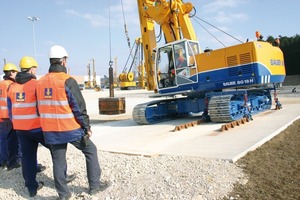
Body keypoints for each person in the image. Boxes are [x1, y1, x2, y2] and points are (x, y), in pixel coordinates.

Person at [36, 45, 110, 200]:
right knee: (90, 151)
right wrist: (86, 127)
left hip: (51, 131)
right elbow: (79, 107)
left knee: (58, 161)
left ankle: (64, 195)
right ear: (63, 61)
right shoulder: (67, 80)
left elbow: (39, 108)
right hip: (70, 129)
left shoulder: (40, 82)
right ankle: (94, 186)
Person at [7, 56, 76, 197]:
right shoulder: (36, 85)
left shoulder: (12, 87)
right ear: (32, 69)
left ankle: (31, 188)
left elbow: (10, 110)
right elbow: (42, 106)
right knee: (57, 152)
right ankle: (63, 179)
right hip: (38, 128)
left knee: (27, 156)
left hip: (20, 128)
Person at [0, 63, 21, 170]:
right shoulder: (11, 85)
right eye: (16, 72)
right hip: (9, 117)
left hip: (1, 117)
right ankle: (12, 162)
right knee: (13, 141)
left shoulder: (1, 83)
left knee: (3, 140)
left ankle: (3, 161)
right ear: (11, 72)